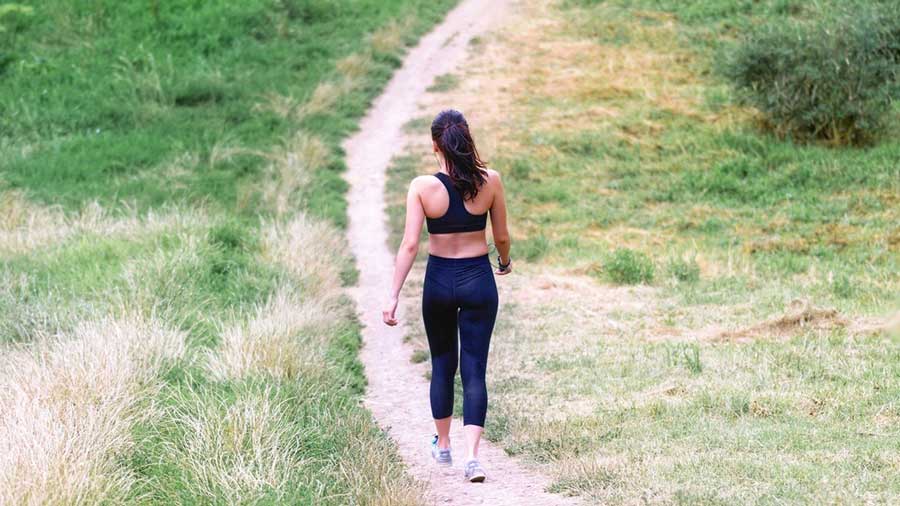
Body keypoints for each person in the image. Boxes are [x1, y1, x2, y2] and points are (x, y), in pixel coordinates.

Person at [382, 109, 511, 483]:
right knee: (474, 369)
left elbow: (409, 246)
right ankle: (473, 457)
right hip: (477, 280)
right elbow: (501, 236)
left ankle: (443, 444)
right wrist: (504, 260)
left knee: (442, 363)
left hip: (439, 281)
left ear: (435, 144)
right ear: (466, 140)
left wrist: (392, 296)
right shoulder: (491, 181)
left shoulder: (422, 187)